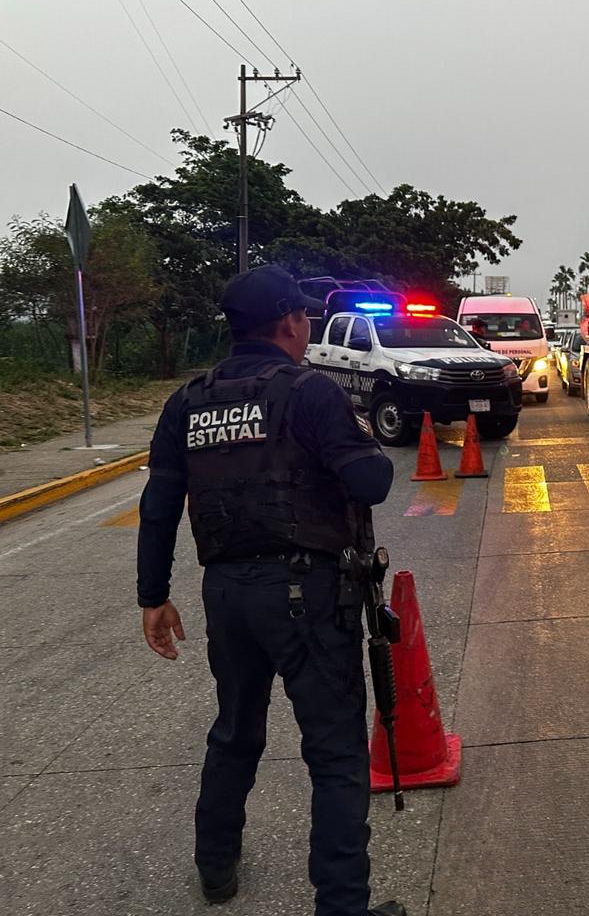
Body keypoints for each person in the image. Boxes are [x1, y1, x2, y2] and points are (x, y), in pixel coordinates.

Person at [136, 264, 405, 916]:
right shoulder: (308, 392)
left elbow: (160, 502)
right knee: (337, 752)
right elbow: (370, 483)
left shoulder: (188, 401)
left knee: (235, 731)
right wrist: (363, 439)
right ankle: (343, 906)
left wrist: (152, 596)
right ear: (289, 322)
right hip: (307, 594)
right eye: (305, 318)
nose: (308, 327)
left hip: (227, 595)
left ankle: (217, 869)